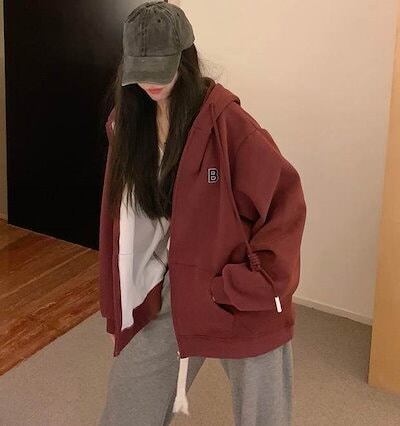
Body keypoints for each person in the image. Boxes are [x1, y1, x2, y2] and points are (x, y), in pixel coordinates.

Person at [98, 1, 307, 425]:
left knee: (264, 418)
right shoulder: (127, 125)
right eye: (141, 69)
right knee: (127, 407)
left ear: (186, 58)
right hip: (171, 284)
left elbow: (285, 202)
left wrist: (252, 282)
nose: (151, 82)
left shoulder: (230, 125)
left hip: (240, 288)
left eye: (162, 68)